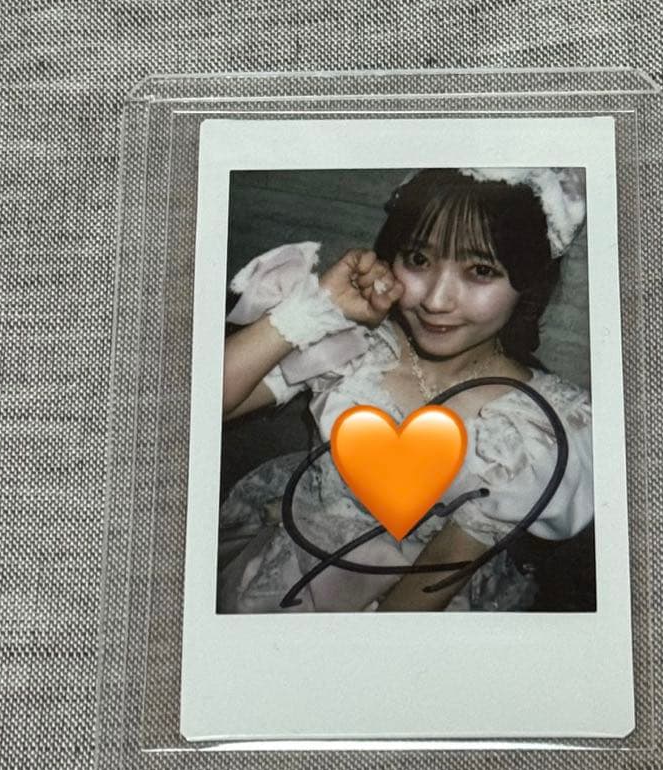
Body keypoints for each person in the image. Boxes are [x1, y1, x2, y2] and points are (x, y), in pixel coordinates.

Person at [218, 167, 594, 612]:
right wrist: (317, 308)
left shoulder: (538, 429)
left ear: (529, 280)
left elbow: (424, 592)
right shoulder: (356, 347)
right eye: (418, 260)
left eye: (480, 270)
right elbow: (207, 405)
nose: (435, 300)